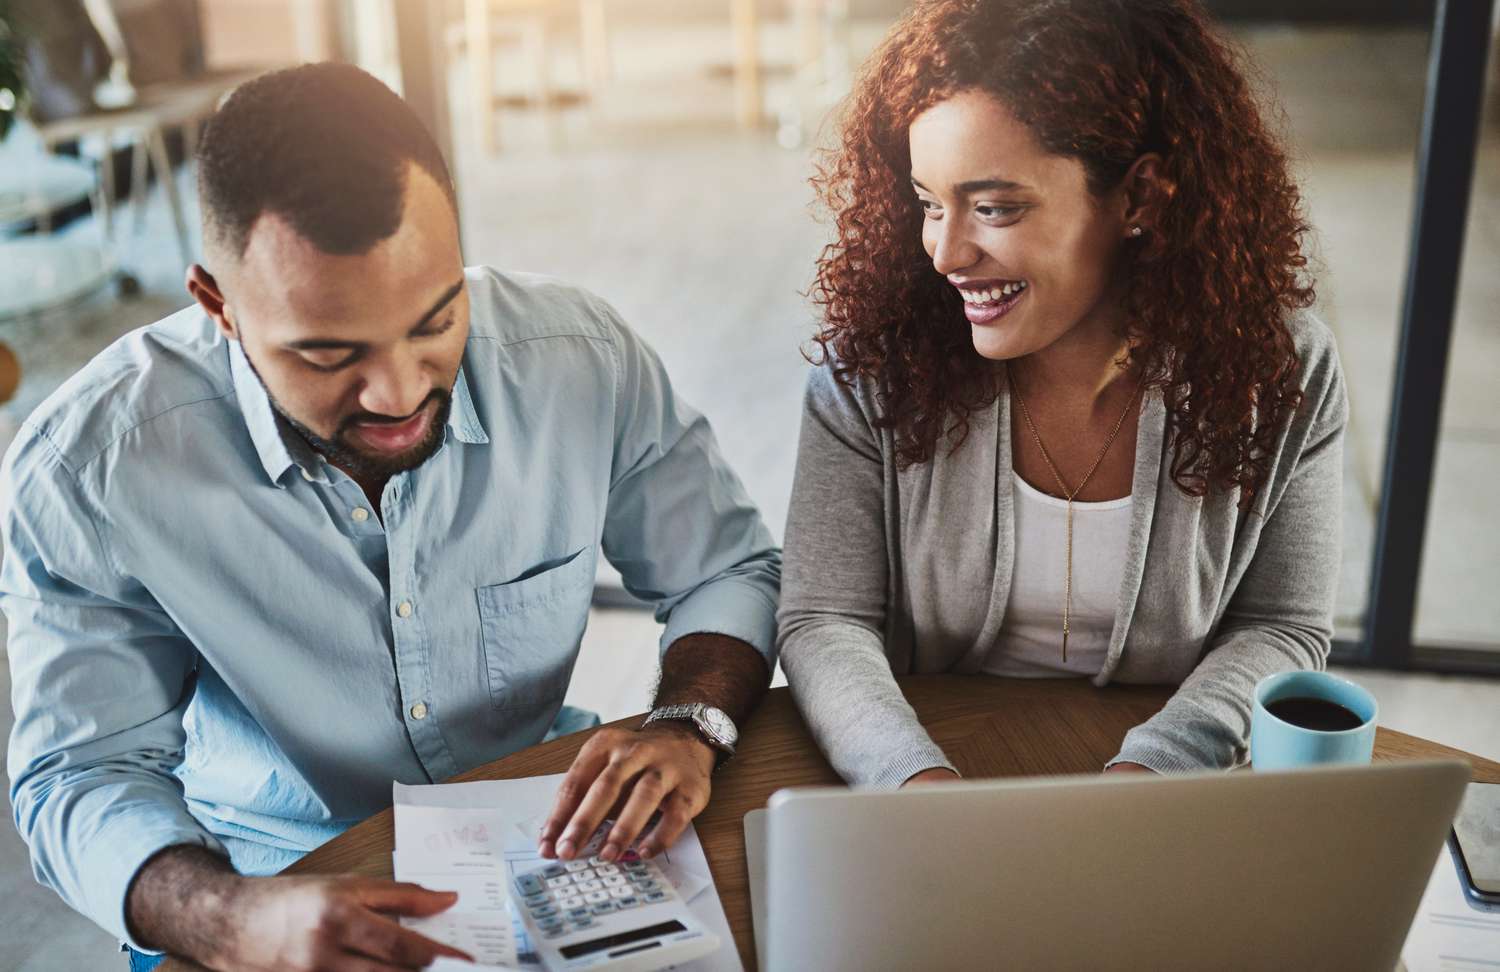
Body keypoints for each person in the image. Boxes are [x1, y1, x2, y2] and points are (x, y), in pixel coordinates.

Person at [3, 63, 780, 971]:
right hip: (261, 883)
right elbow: (79, 776)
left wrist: (690, 722)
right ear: (217, 303)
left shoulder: (578, 357)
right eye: (329, 354)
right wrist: (232, 920)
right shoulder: (91, 467)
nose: (401, 393)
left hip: (553, 845)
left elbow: (727, 568)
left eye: (435, 320)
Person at [778, 0, 1347, 788]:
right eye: (928, 204)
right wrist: (914, 785)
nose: (945, 253)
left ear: (1139, 199)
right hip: (926, 770)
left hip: (1161, 790)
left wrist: (1150, 774)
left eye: (994, 207)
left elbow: (1280, 627)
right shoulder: (874, 357)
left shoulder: (1277, 367)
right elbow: (824, 619)